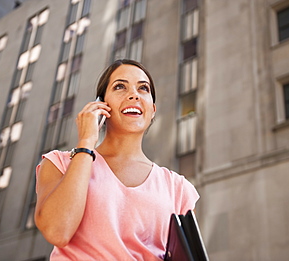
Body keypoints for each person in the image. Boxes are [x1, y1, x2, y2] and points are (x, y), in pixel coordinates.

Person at [34, 59, 200, 260]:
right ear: (101, 105)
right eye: (120, 86)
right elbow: (56, 231)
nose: (134, 95)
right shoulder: (59, 163)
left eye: (143, 88)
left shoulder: (178, 188)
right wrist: (86, 142)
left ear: (153, 110)